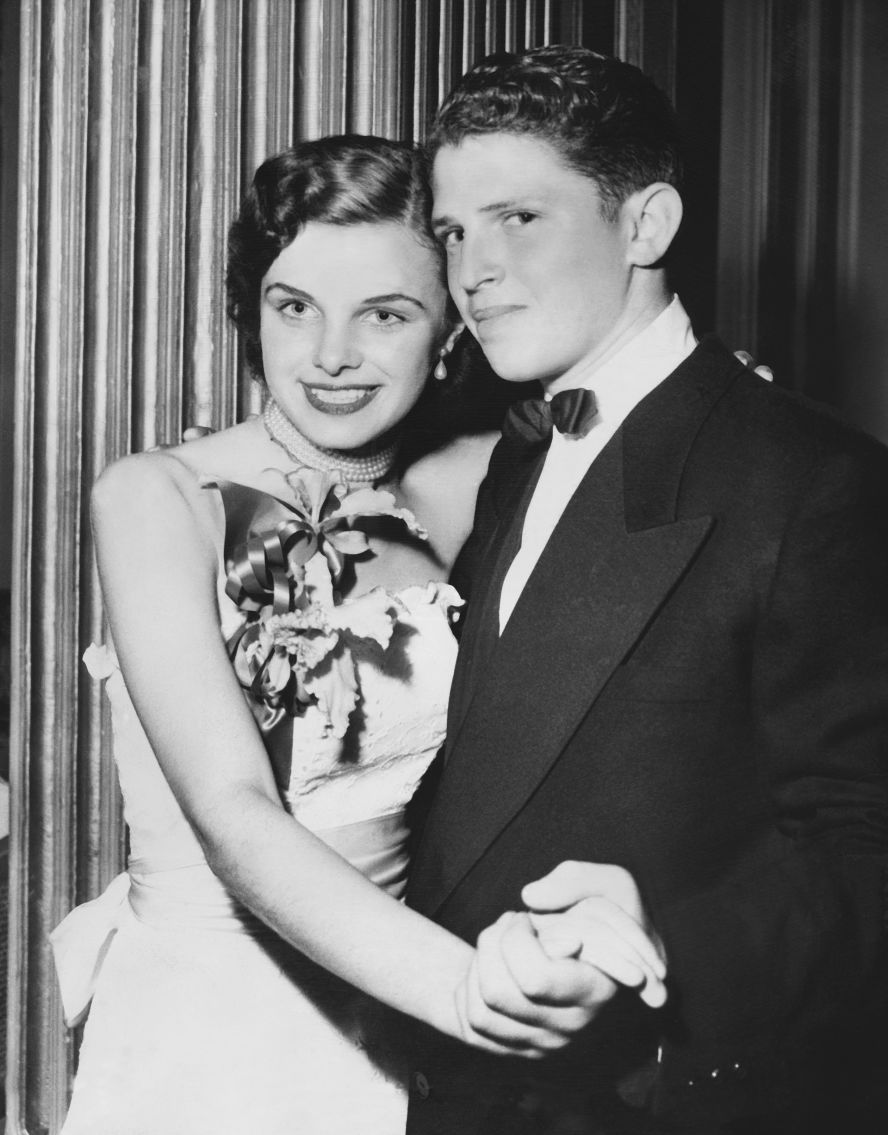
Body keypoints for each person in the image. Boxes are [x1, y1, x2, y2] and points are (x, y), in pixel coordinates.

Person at [50, 136, 668, 1135]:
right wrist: (473, 994)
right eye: (295, 306)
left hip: (400, 1041)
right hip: (205, 1040)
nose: (332, 353)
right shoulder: (162, 496)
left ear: (450, 334)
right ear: (253, 310)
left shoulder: (462, 489)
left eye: (385, 314)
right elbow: (235, 816)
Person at [404, 46, 888, 1135]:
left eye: (518, 218)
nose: (472, 269)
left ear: (647, 225)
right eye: (451, 232)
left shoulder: (817, 482)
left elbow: (866, 843)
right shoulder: (516, 456)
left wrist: (668, 940)